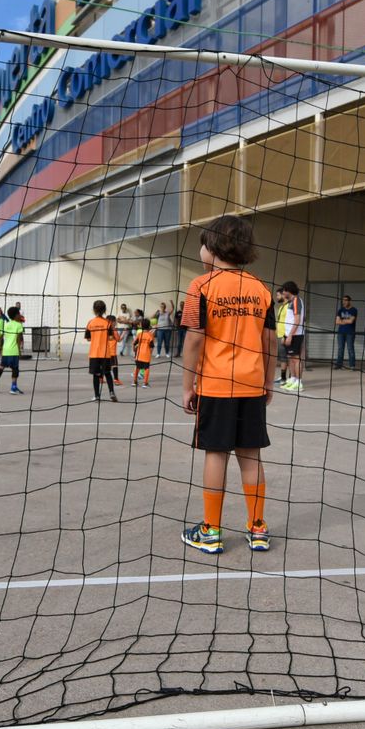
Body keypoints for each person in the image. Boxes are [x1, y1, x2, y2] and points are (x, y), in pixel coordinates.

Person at [179, 214, 276, 555]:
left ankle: (211, 530)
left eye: (203, 243)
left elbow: (194, 339)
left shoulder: (200, 287)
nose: (200, 249)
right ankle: (258, 528)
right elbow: (270, 342)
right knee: (251, 456)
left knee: (216, 453)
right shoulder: (260, 289)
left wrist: (187, 385)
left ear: (214, 247)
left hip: (216, 386)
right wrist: (268, 383)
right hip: (251, 385)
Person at [84, 300, 118, 402]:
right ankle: (111, 392)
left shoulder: (90, 323)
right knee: (107, 373)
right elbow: (111, 337)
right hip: (105, 353)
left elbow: (88, 338)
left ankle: (97, 396)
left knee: (96, 375)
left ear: (94, 310)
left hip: (94, 353)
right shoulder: (108, 323)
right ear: (104, 310)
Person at [0, 306, 26, 395]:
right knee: (15, 369)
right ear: (16, 315)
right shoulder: (19, 325)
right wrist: (20, 350)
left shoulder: (6, 324)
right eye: (19, 313)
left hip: (5, 350)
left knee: (2, 366)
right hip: (14, 350)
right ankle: (13, 387)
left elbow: (1, 337)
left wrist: (1, 347)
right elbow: (19, 338)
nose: (20, 315)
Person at [278, 281, 306, 393]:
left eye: (284, 290)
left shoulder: (296, 301)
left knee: (296, 358)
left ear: (288, 291)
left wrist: (290, 336)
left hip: (296, 335)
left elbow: (297, 320)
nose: (283, 292)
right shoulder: (290, 302)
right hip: (289, 334)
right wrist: (285, 335)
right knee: (290, 358)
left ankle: (299, 383)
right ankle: (293, 379)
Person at [335, 293, 359, 370]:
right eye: (343, 300)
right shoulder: (340, 310)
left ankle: (352, 365)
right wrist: (345, 320)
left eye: (345, 300)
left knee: (350, 348)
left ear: (349, 301)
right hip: (341, 332)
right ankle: (339, 365)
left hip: (350, 332)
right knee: (340, 348)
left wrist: (342, 320)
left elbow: (351, 321)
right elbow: (337, 322)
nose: (344, 302)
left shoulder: (354, 310)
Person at [132, 317, 155, 388]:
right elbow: (151, 347)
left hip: (139, 354)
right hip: (146, 355)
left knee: (137, 367)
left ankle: (135, 382)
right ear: (149, 326)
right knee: (146, 369)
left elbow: (134, 343)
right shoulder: (150, 335)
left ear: (141, 326)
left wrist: (134, 350)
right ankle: (145, 383)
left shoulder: (139, 335)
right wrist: (150, 353)